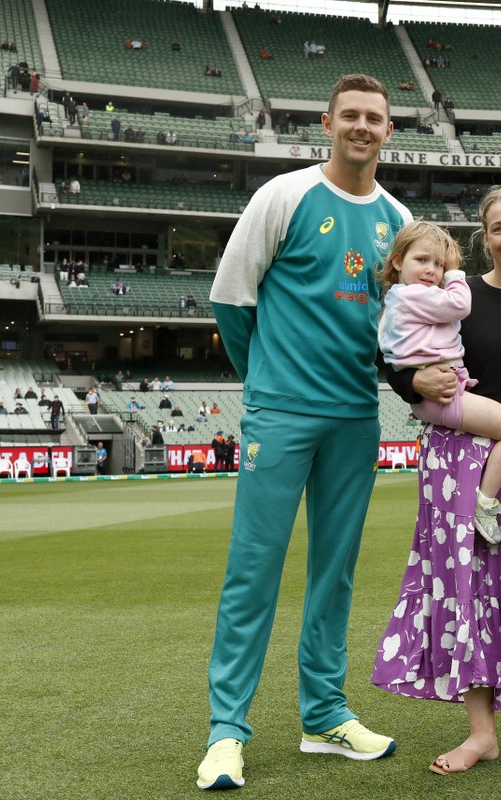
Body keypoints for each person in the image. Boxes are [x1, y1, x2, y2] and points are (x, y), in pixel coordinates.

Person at [197, 73, 412, 792]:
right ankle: (227, 732)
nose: (361, 126)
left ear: (389, 130)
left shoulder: (396, 217)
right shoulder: (283, 196)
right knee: (253, 572)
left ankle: (324, 714)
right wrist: (266, 380)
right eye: (349, 114)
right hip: (281, 414)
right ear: (327, 122)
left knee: (335, 573)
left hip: (356, 416)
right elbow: (232, 298)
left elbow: (403, 328)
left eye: (373, 118)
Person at [375, 185, 501, 775]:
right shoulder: (455, 295)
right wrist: (413, 386)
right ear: (482, 239)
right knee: (468, 589)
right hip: (458, 448)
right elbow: (394, 357)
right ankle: (481, 733)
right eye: (497, 228)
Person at [379, 221, 501, 543]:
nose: (432, 270)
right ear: (397, 261)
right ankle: (485, 503)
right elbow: (459, 305)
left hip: (438, 390)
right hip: (440, 395)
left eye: (438, 263)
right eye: (423, 260)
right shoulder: (412, 295)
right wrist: (455, 273)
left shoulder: (397, 299)